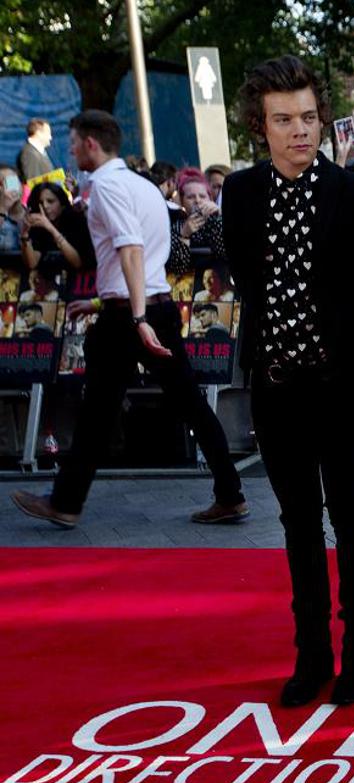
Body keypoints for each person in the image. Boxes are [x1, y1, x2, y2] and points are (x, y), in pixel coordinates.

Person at [220, 55, 354, 708]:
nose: (299, 130)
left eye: (307, 117)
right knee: (297, 521)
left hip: (340, 384)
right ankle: (312, 653)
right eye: (283, 120)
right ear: (260, 126)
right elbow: (247, 278)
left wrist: (343, 338)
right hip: (275, 387)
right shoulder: (240, 193)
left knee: (350, 516)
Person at [10, 110, 248, 530]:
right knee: (184, 404)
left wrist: (136, 316)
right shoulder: (142, 186)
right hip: (146, 308)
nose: (69, 150)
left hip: (133, 315)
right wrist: (105, 302)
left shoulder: (107, 186)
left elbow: (133, 251)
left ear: (91, 144)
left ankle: (66, 503)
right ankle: (230, 495)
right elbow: (145, 260)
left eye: (73, 142)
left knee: (100, 410)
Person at [19, 181, 94, 279]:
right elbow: (32, 263)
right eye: (41, 203)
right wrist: (25, 235)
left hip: (78, 281)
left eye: (50, 201)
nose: (45, 206)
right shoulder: (38, 227)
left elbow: (77, 263)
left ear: (62, 203)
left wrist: (51, 228)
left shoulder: (76, 221)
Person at [167, 168, 225, 276]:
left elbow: (230, 255)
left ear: (210, 198)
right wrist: (184, 235)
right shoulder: (176, 226)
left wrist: (221, 217)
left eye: (202, 196)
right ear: (182, 201)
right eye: (190, 197)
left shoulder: (218, 221)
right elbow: (177, 268)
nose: (197, 200)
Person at [17, 119, 55, 184]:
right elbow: (33, 182)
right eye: (48, 133)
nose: (50, 137)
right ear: (38, 133)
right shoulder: (29, 153)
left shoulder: (38, 152)